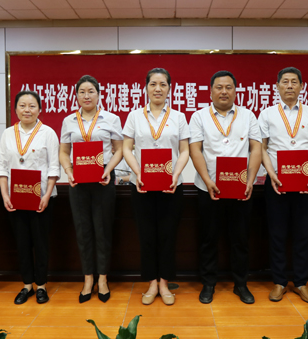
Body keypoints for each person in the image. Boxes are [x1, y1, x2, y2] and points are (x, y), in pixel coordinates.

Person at [189, 70, 262, 305]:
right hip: (208, 188)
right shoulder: (199, 117)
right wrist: (207, 180)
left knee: (240, 239)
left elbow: (256, 148)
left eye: (229, 87)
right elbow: (195, 149)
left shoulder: (248, 116)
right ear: (211, 91)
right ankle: (208, 283)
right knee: (208, 238)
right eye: (219, 87)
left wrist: (250, 180)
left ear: (235, 91)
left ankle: (240, 284)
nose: (224, 91)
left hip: (241, 189)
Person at [122, 68, 190, 306]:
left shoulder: (179, 117)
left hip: (171, 185)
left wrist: (176, 174)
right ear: (146, 88)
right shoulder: (134, 116)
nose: (158, 89)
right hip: (142, 185)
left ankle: (164, 283)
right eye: (153, 84)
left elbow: (184, 150)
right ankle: (152, 282)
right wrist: (138, 173)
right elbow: (126, 148)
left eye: (162, 84)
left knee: (168, 235)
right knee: (147, 235)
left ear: (170, 88)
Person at [258, 67, 308, 304]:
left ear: (301, 86)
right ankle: (279, 282)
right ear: (277, 86)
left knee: (302, 234)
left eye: (294, 82)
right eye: (285, 82)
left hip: (306, 183)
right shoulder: (267, 114)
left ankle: (301, 282)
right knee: (277, 233)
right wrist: (271, 173)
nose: (289, 86)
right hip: (276, 182)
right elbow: (261, 147)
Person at [59, 75, 124, 303]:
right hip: (78, 179)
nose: (86, 96)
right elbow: (64, 151)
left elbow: (119, 149)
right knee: (83, 230)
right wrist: (68, 171)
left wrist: (109, 170)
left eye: (91, 91)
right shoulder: (69, 120)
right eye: (82, 92)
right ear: (76, 96)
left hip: (103, 177)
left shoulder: (111, 119)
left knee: (103, 229)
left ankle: (103, 279)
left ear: (98, 94)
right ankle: (88, 279)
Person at [0, 90, 60, 305]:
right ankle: (26, 285)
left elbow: (54, 167)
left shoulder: (48, 133)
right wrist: (5, 194)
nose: (27, 110)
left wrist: (47, 195)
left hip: (41, 197)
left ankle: (41, 285)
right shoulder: (7, 134)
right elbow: (1, 166)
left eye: (32, 106)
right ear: (15, 109)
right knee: (22, 243)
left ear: (39, 109)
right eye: (22, 106)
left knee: (40, 243)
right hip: (16, 198)